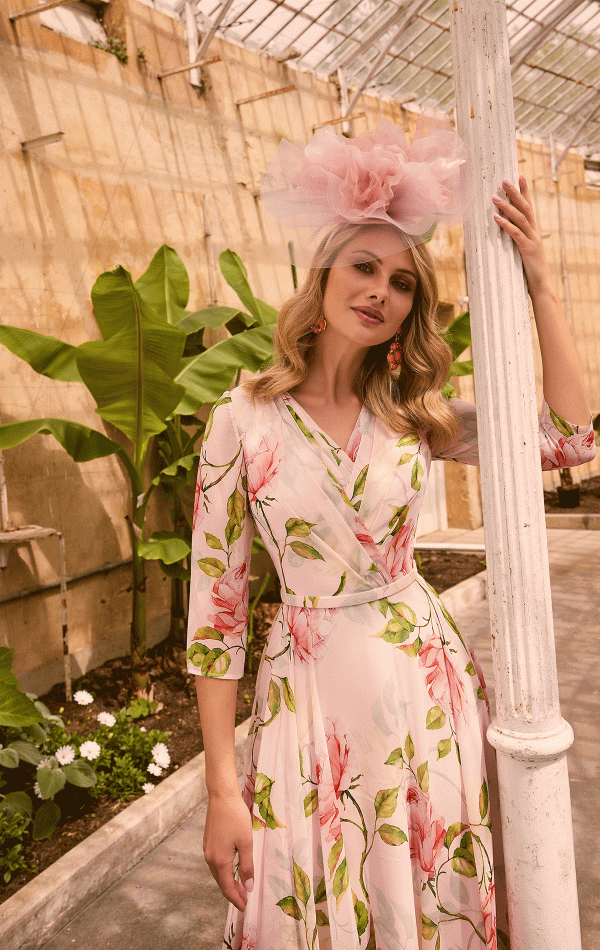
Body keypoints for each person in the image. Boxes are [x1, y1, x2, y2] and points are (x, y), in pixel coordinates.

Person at [186, 119, 595, 950]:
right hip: (306, 705)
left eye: (403, 282)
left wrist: (542, 286)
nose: (380, 291)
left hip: (426, 696)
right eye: (364, 267)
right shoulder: (243, 420)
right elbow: (216, 616)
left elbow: (570, 440)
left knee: (431, 902)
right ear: (325, 274)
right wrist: (222, 791)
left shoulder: (415, 416)